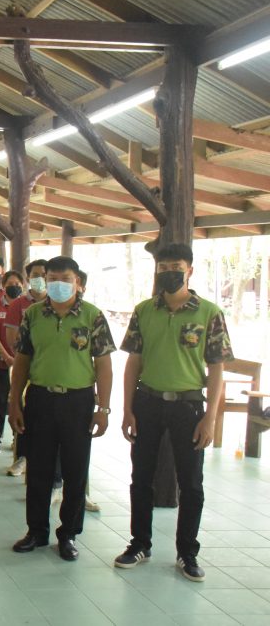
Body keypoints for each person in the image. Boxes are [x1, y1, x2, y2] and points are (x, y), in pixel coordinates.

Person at [114, 243, 232, 582]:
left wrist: (210, 418)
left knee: (191, 482)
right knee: (141, 477)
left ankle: (187, 552)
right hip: (147, 402)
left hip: (189, 406)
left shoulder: (209, 312)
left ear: (189, 270)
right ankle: (140, 543)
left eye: (176, 266)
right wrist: (127, 409)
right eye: (163, 267)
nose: (169, 272)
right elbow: (133, 362)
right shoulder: (144, 310)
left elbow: (217, 369)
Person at [8, 256, 115, 562]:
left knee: (75, 470)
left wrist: (103, 408)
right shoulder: (33, 314)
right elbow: (22, 361)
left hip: (78, 402)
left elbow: (104, 365)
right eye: (51, 278)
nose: (57, 284)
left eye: (64, 279)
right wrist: (14, 402)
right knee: (38, 469)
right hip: (40, 399)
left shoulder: (92, 316)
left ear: (77, 282)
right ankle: (36, 531)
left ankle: (68, 534)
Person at [3, 258, 48, 477]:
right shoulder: (18, 305)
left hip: (48, 370)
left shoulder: (57, 303)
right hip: (25, 367)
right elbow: (13, 339)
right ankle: (21, 457)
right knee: (22, 412)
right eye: (35, 275)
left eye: (44, 274)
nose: (40, 278)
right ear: (28, 278)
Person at [0, 271, 25, 455]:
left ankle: (19, 440)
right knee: (0, 402)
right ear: (4, 285)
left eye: (18, 284)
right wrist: (6, 356)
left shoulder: (27, 307)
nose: (14, 287)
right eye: (10, 284)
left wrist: (19, 358)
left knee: (22, 403)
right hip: (0, 364)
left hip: (23, 364)